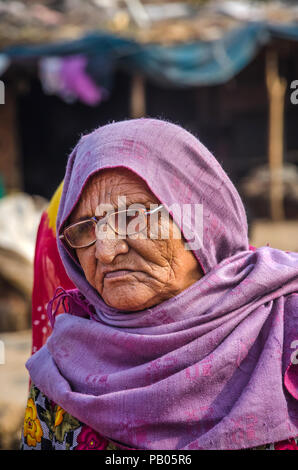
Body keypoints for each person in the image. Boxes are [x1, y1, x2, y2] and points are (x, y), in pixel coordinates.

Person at [22, 118, 298, 450]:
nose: (106, 252)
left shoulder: (287, 328)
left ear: (202, 222)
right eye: (84, 228)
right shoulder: (61, 370)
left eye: (133, 218)